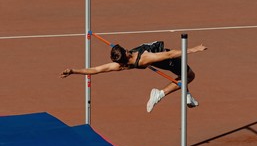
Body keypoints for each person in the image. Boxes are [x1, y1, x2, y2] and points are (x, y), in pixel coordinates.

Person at [60, 41, 207, 112]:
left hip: (159, 57)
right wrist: (194, 49)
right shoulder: (143, 58)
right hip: (166, 59)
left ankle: (187, 95)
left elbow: (96, 69)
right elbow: (169, 54)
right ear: (126, 53)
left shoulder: (121, 64)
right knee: (188, 76)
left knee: (182, 76)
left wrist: (73, 71)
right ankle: (159, 94)